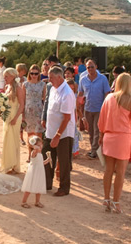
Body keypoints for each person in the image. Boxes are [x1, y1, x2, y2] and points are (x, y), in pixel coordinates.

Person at [98, 73, 131, 213]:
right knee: (120, 172)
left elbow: (101, 119)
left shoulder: (109, 97)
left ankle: (106, 199)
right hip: (123, 138)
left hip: (109, 136)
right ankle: (116, 202)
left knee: (108, 170)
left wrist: (101, 135)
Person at [45, 66, 76, 197]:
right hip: (50, 131)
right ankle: (47, 183)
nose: (49, 80)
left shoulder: (67, 93)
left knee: (63, 161)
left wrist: (58, 135)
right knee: (46, 157)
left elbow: (67, 118)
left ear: (59, 77)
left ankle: (64, 187)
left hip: (63, 133)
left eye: (51, 77)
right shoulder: (53, 89)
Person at [78, 58, 111, 159]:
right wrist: (78, 105)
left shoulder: (102, 79)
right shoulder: (83, 79)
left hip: (99, 109)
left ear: (96, 67)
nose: (90, 69)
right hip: (88, 108)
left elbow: (107, 93)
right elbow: (80, 93)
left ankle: (93, 151)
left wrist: (105, 106)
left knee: (97, 131)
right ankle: (95, 149)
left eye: (92, 67)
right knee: (90, 131)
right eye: (88, 67)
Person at [1, 68, 25, 174]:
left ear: (13, 76)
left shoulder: (19, 89)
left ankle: (15, 165)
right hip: (7, 116)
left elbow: (22, 105)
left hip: (15, 116)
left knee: (14, 140)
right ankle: (8, 164)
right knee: (7, 140)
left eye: (6, 76)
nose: (4, 78)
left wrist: (15, 118)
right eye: (4, 76)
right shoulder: (7, 87)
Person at [23, 64, 46, 160]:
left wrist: (45, 115)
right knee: (29, 134)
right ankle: (30, 154)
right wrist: (22, 114)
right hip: (28, 111)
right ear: (29, 73)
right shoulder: (25, 84)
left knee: (38, 134)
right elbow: (23, 100)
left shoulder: (42, 85)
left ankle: (38, 155)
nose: (34, 75)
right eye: (32, 73)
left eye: (36, 73)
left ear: (39, 74)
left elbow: (44, 99)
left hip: (39, 111)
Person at [20, 136, 51, 209]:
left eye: (41, 145)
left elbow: (40, 163)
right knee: (29, 187)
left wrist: (47, 160)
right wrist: (35, 149)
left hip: (39, 172)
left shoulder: (40, 154)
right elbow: (34, 156)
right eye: (38, 145)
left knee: (39, 187)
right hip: (33, 172)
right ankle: (23, 201)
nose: (40, 146)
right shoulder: (34, 153)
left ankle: (37, 201)